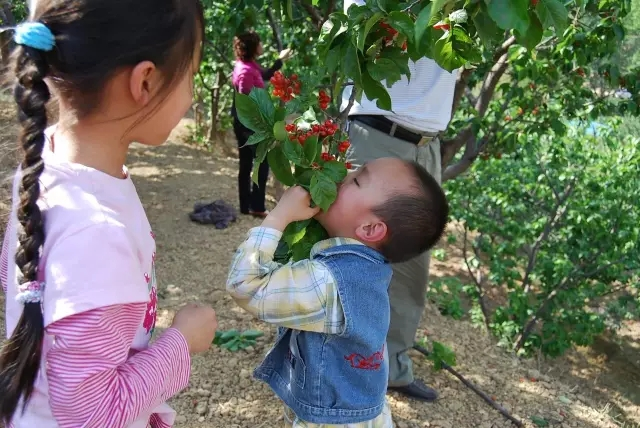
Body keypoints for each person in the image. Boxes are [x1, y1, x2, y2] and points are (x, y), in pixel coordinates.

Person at [0, 2, 218, 427]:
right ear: (146, 81)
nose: (191, 94)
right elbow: (91, 414)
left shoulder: (45, 158)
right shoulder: (97, 232)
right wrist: (181, 342)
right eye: (190, 74)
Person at [227, 158, 449, 427]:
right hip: (362, 412)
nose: (344, 172)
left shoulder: (329, 281)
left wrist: (279, 216)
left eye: (356, 179)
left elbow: (245, 285)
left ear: (369, 228)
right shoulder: (369, 268)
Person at [341, 0, 458, 402]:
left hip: (426, 144)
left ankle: (392, 368)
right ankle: (327, 363)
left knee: (411, 267)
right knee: (351, 257)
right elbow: (363, 30)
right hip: (378, 133)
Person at [231, 31, 293, 218]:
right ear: (254, 47)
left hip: (245, 123)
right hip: (248, 125)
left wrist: (280, 60)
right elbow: (246, 99)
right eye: (259, 43)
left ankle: (246, 206)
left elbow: (265, 74)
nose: (262, 45)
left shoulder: (247, 66)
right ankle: (256, 206)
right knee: (261, 164)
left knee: (247, 164)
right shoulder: (246, 71)